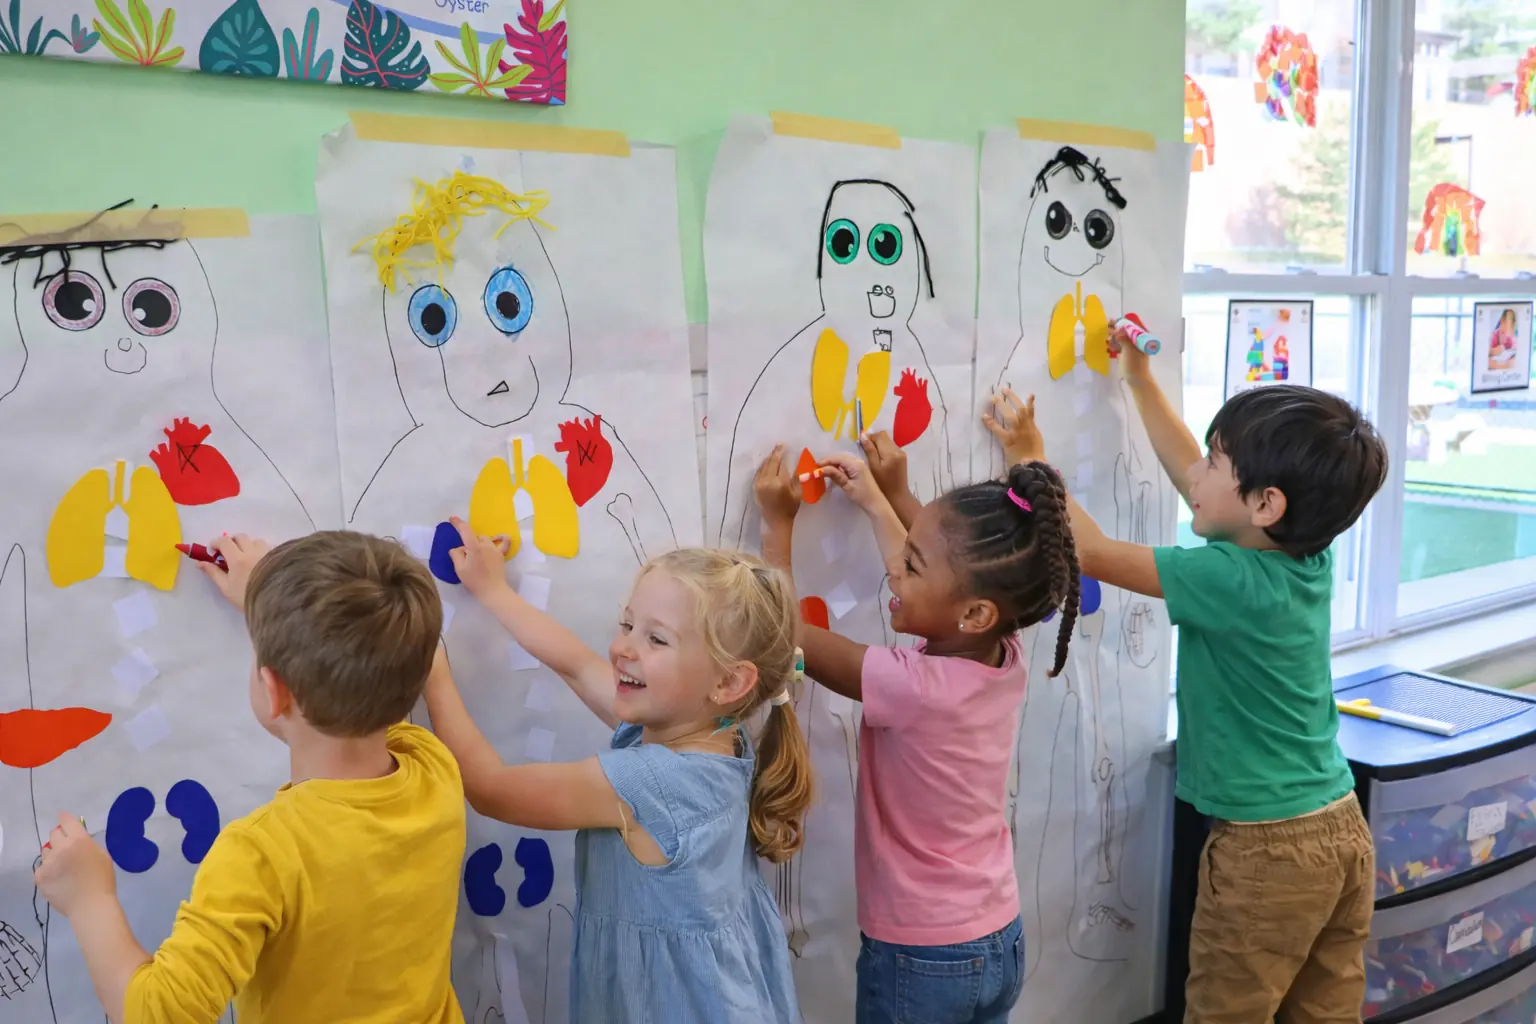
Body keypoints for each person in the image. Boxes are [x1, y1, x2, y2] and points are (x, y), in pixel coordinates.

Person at [984, 322, 1389, 1024]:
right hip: (1339, 828)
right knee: (1322, 1014)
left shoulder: (1230, 576)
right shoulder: (1302, 555)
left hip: (1266, 850)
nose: (1194, 475)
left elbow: (1097, 551)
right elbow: (1193, 479)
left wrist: (1031, 460)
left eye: (1213, 462)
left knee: (1225, 1013)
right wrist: (1140, 382)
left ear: (1266, 505)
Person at [33, 531, 466, 1023]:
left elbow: (157, 1015)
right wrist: (275, 603)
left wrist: (90, 900)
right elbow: (372, 670)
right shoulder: (434, 768)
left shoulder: (261, 857)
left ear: (272, 690)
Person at [424, 518, 808, 1024]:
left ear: (730, 681)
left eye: (657, 640)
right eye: (627, 625)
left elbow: (492, 789)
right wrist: (493, 590)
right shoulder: (711, 733)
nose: (624, 647)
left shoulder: (654, 786)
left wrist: (432, 674)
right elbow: (578, 665)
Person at [753, 436, 1080, 1024]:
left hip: (922, 955)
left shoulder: (911, 686)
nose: (894, 572)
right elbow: (957, 577)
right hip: (997, 935)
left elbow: (788, 633)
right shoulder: (1004, 650)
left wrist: (779, 526)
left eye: (910, 564)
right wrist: (886, 500)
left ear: (973, 612)